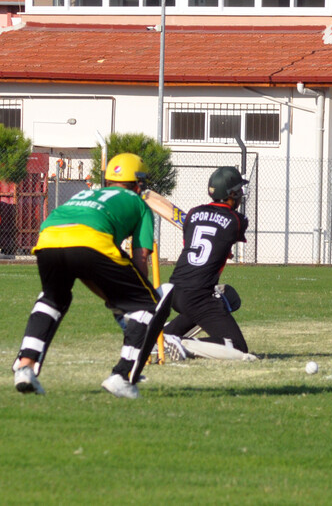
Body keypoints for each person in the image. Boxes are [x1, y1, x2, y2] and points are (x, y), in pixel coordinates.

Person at [12, 153, 172, 399]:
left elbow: (83, 265)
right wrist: (132, 299)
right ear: (138, 183)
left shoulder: (86, 193)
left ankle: (25, 366)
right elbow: (140, 258)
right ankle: (122, 375)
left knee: (53, 299)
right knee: (147, 303)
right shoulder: (139, 204)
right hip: (91, 241)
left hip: (48, 238)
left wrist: (115, 296)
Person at [162, 166, 255, 361]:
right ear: (232, 194)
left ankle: (164, 334)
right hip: (198, 294)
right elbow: (221, 235)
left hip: (175, 290)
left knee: (228, 296)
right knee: (238, 347)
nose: (241, 195)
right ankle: (181, 342)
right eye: (238, 191)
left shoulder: (193, 214)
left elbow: (195, 243)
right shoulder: (238, 220)